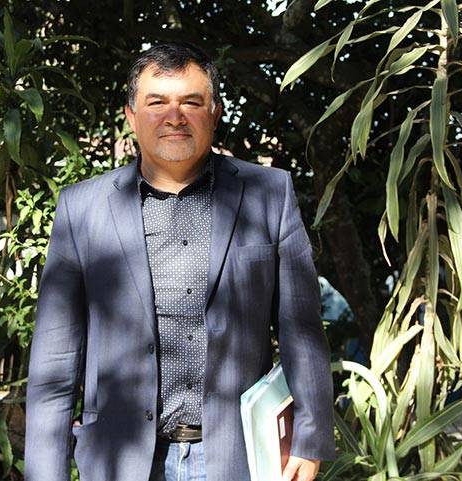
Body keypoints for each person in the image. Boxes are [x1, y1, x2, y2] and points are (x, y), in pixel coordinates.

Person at [26, 42, 336, 481]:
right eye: (157, 103)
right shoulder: (82, 209)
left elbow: (301, 329)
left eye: (191, 102)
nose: (174, 116)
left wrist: (310, 437)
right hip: (122, 460)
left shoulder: (269, 195)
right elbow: (54, 364)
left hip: (237, 459)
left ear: (215, 112)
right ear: (132, 115)